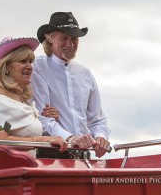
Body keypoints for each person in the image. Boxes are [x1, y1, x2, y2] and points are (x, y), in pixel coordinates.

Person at [31, 12, 111, 158]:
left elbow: (97, 120)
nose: (70, 44)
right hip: (51, 155)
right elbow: (40, 117)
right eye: (64, 38)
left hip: (85, 155)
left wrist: (101, 137)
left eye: (74, 38)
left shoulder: (85, 73)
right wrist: (69, 138)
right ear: (50, 38)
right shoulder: (37, 67)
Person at [0, 36, 67, 156]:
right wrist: (41, 140)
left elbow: (15, 129)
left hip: (25, 169)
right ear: (6, 67)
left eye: (30, 61)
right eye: (22, 61)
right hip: (9, 171)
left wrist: (51, 121)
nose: (30, 66)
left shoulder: (19, 99)